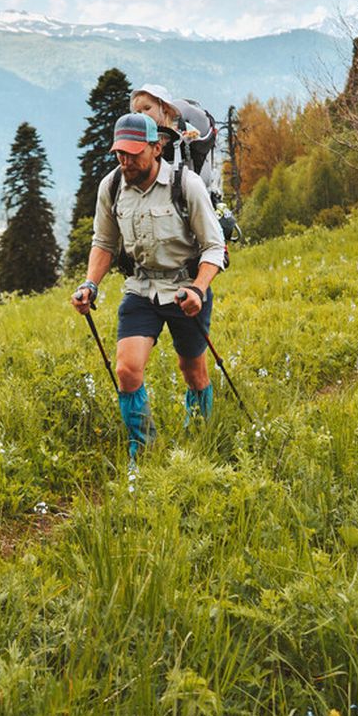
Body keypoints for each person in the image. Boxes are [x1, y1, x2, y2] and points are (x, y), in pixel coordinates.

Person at [70, 112, 226, 461]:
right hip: (141, 288)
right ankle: (143, 450)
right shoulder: (111, 188)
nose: (125, 160)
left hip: (186, 289)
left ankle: (201, 436)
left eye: (133, 153)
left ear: (157, 148)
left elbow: (215, 248)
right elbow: (104, 243)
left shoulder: (185, 185)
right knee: (126, 369)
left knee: (193, 371)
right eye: (119, 153)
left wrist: (199, 290)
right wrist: (89, 285)